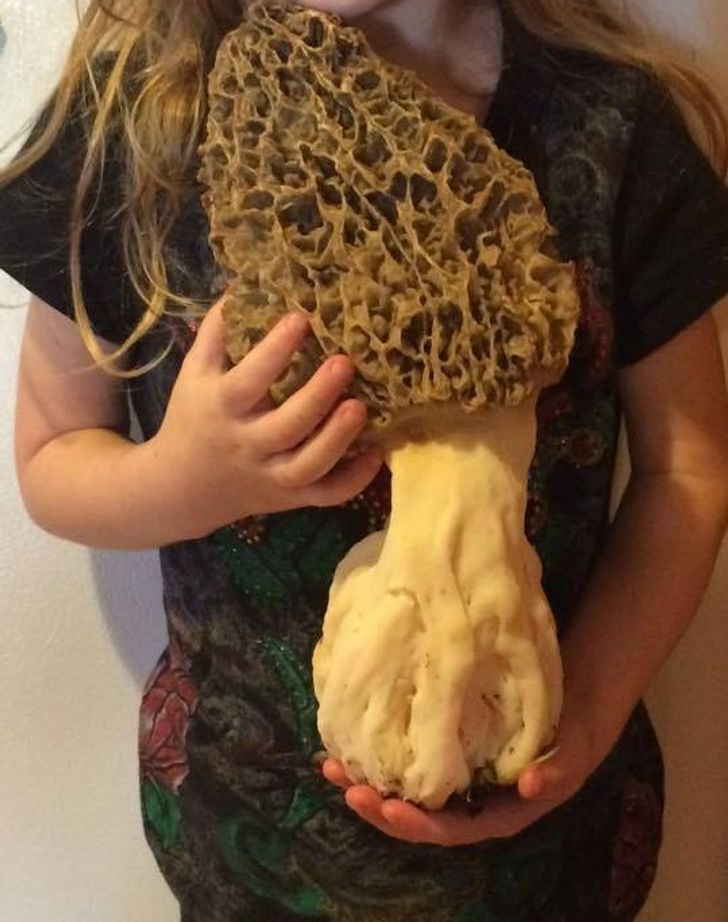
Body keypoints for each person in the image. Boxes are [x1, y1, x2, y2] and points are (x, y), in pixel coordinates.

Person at [2, 0, 728, 919]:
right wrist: (183, 481)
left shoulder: (612, 127)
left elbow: (685, 470)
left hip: (551, 843)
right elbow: (53, 453)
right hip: (251, 838)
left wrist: (587, 710)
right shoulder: (127, 131)